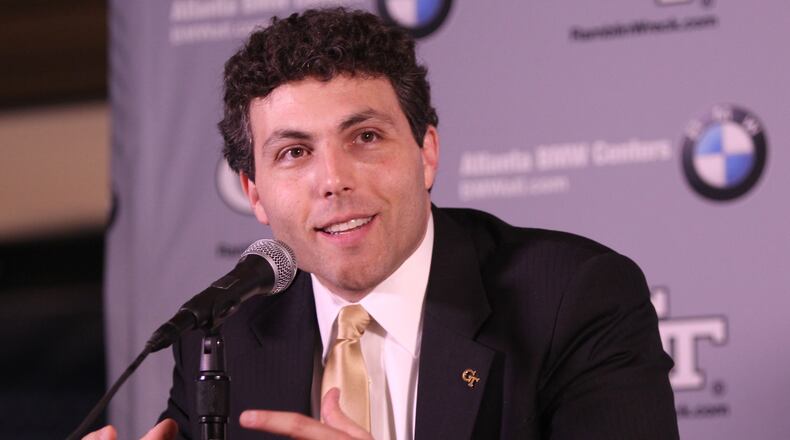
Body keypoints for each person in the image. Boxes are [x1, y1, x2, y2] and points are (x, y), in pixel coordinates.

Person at [86, 7, 678, 440]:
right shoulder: (222, 337)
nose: (333, 179)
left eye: (365, 137)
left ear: (427, 152)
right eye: (294, 152)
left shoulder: (571, 298)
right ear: (254, 194)